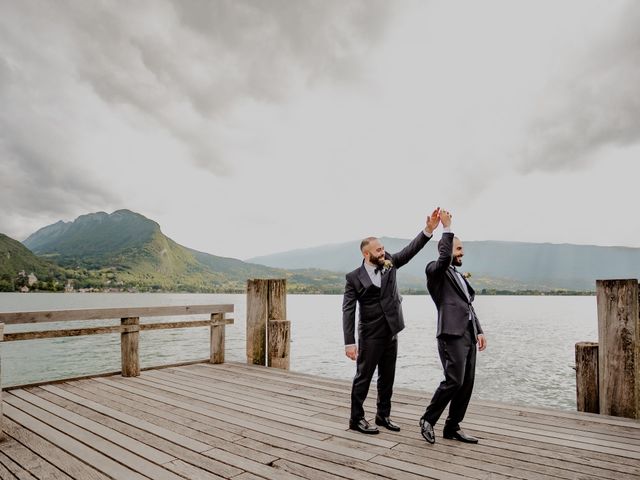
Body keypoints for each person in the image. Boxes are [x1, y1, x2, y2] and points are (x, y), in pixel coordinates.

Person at [343, 208, 440, 434]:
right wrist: (349, 342)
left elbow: (410, 250)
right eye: (378, 250)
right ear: (366, 255)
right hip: (369, 334)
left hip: (391, 331)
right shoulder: (353, 278)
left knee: (388, 376)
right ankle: (356, 419)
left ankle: (382, 415)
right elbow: (347, 310)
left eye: (383, 248)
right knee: (363, 377)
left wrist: (428, 230)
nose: (383, 252)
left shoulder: (391, 263)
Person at [419, 209, 487, 444]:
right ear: (446, 250)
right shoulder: (434, 271)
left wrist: (478, 329)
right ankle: (428, 419)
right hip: (451, 333)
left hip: (468, 334)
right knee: (454, 380)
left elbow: (467, 303)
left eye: (462, 250)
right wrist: (447, 229)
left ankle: (453, 427)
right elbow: (444, 256)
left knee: (467, 383)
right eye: (459, 250)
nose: (461, 254)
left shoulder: (458, 275)